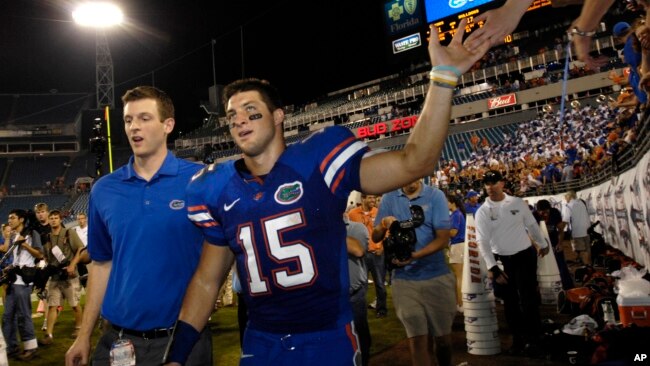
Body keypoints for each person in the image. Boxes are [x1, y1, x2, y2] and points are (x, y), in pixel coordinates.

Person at [164, 20, 490, 366]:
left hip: (327, 338)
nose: (239, 118)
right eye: (231, 115)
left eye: (250, 110)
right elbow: (206, 280)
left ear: (278, 116)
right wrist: (176, 355)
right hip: (261, 341)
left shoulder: (319, 160)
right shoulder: (214, 187)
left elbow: (415, 163)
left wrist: (443, 78)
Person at [65, 86, 212, 366]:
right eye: (129, 120)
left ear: (168, 124)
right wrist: (83, 335)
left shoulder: (201, 180)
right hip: (118, 342)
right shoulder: (104, 189)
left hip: (184, 340)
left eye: (145, 118)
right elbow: (101, 264)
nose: (134, 127)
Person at [372, 180, 456, 366]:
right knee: (417, 339)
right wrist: (383, 225)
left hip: (436, 275)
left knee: (443, 340)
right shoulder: (388, 198)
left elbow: (442, 239)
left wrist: (415, 256)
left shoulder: (435, 195)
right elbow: (375, 237)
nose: (411, 181)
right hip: (404, 279)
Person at [474, 170, 549, 357]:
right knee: (510, 303)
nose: (490, 186)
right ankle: (518, 340)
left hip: (525, 256)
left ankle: (535, 339)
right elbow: (482, 241)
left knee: (529, 299)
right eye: (486, 183)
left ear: (502, 183)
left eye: (493, 182)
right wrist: (492, 267)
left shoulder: (516, 203)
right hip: (502, 261)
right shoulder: (482, 211)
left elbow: (531, 224)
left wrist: (542, 243)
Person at [1, 209, 44, 361]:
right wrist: (10, 266)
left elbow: (39, 254)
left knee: (23, 315)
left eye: (12, 218)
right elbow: (17, 258)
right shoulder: (14, 236)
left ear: (21, 219)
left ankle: (31, 348)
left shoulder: (32, 234)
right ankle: (11, 347)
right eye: (9, 218)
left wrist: (24, 244)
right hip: (13, 280)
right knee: (7, 316)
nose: (10, 220)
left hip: (23, 281)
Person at [38, 210, 85, 346]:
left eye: (56, 218)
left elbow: (81, 249)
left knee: (75, 305)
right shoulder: (47, 237)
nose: (53, 220)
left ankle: (79, 328)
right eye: (51, 218)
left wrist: (73, 265)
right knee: (52, 306)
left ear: (60, 220)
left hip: (69, 276)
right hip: (54, 276)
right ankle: (49, 335)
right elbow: (46, 256)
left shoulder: (69, 233)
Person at [348, 193, 387, 318]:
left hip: (377, 254)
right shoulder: (352, 214)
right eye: (370, 197)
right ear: (362, 199)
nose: (373, 200)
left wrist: (382, 247)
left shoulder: (379, 212)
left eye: (374, 198)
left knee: (380, 283)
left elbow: (386, 232)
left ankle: (381, 309)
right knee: (361, 284)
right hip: (361, 255)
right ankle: (360, 309)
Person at [344, 213, 371, 366]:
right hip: (333, 296)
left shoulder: (356, 227)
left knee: (360, 335)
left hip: (354, 293)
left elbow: (358, 250)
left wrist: (330, 230)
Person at [534, 200, 573, 290]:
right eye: (542, 212)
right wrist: (537, 246)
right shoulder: (534, 216)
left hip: (554, 241)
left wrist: (560, 243)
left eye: (547, 211)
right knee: (538, 265)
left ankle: (567, 286)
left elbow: (560, 230)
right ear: (538, 211)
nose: (545, 214)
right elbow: (530, 234)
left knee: (561, 263)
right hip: (539, 242)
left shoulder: (554, 212)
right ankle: (540, 287)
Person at [447, 193, 467, 312]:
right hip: (460, 245)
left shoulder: (455, 215)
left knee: (459, 277)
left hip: (458, 245)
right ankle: (461, 303)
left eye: (447, 202)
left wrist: (441, 231)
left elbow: (453, 233)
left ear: (452, 202)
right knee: (460, 276)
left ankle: (460, 304)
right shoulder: (457, 214)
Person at [562, 190, 592, 265]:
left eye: (566, 198)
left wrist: (560, 230)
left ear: (569, 197)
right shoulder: (581, 202)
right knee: (587, 248)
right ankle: (589, 264)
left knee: (581, 249)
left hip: (578, 231)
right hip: (587, 229)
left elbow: (565, 220)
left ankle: (587, 266)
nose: (566, 200)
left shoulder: (569, 206)